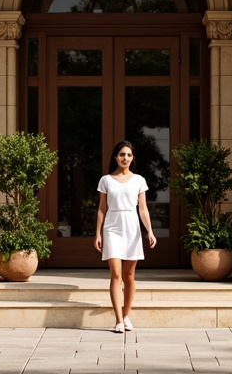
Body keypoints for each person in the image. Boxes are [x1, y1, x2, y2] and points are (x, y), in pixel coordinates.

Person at [94, 140, 157, 334]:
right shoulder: (106, 180)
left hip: (132, 228)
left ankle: (127, 315)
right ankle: (118, 320)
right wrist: (98, 232)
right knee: (116, 274)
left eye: (129, 155)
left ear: (133, 158)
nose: (125, 158)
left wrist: (150, 231)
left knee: (129, 276)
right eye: (122, 154)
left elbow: (143, 209)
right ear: (115, 157)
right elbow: (102, 209)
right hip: (112, 227)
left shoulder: (139, 180)